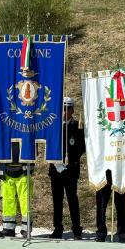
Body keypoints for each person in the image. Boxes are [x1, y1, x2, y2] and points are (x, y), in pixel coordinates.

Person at [48, 97, 85, 240]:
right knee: (57, 201)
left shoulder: (77, 126)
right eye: (62, 108)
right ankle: (58, 228)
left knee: (72, 200)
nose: (64, 112)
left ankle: (76, 228)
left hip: (70, 169)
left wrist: (72, 159)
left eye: (67, 108)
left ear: (72, 110)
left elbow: (82, 146)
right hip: (55, 169)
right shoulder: (53, 125)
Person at [0, 141, 33, 238]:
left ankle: (26, 229)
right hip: (6, 169)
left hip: (23, 170)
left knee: (25, 200)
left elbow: (32, 146)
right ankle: (8, 228)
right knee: (7, 200)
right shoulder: (4, 129)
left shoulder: (24, 128)